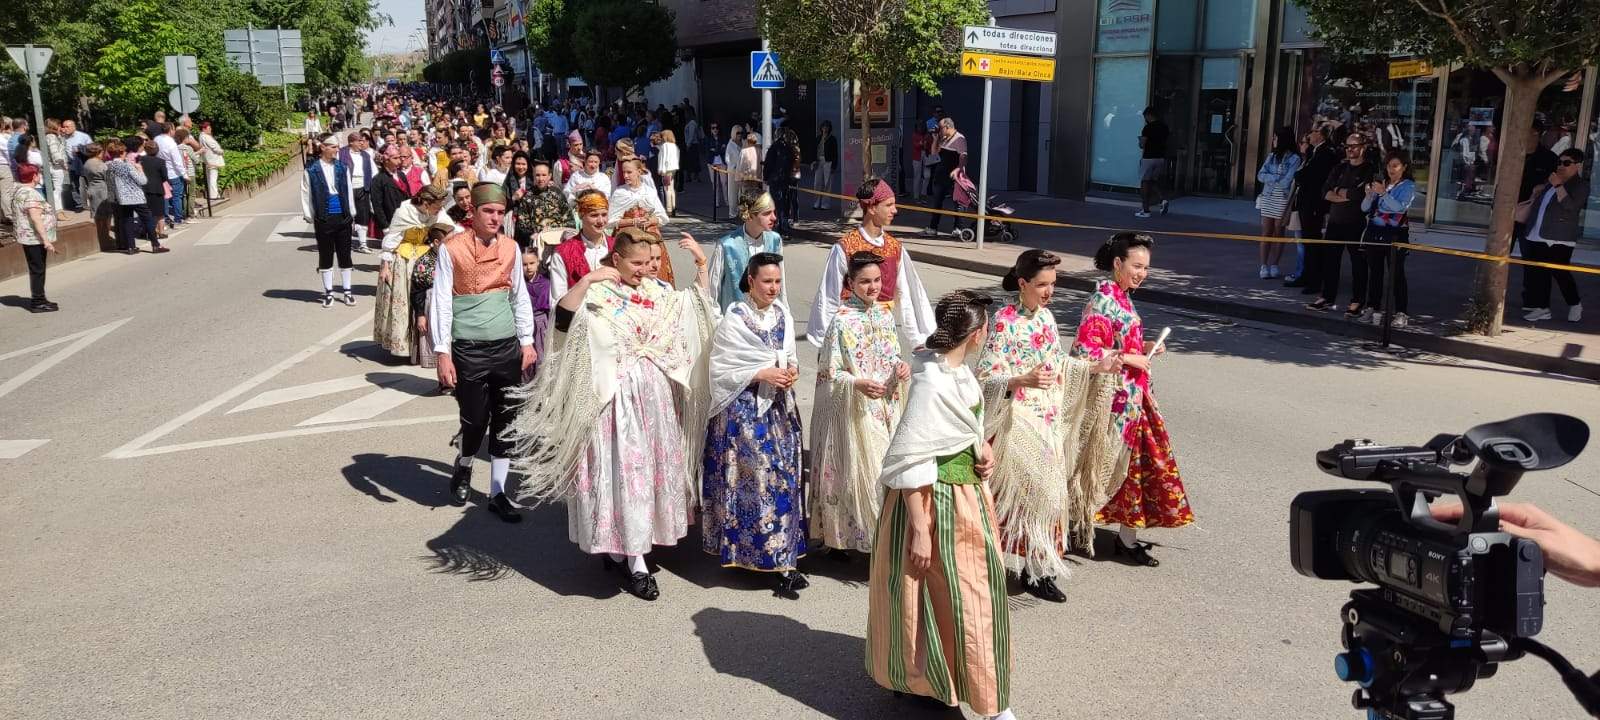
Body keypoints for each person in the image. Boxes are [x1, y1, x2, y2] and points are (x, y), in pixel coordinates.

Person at [506, 229, 718, 602]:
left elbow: (696, 310)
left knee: (644, 475)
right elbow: (563, 321)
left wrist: (701, 264)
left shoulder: (656, 292)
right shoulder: (599, 294)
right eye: (636, 263)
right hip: (614, 404)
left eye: (648, 262)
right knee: (624, 475)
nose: (644, 269)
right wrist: (587, 280)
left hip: (654, 402)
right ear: (616, 259)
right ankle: (634, 559)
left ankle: (629, 547)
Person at [865, 290, 1017, 720]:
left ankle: (977, 690)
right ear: (976, 333)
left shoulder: (959, 373)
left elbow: (964, 427)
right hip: (932, 502)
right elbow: (912, 456)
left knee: (969, 595)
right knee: (945, 595)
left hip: (968, 498)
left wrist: (981, 449)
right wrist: (918, 528)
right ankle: (956, 691)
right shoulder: (930, 381)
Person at [977, 249, 1125, 601]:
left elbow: (1059, 362)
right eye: (1042, 284)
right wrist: (1020, 380)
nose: (1049, 292)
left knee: (1049, 497)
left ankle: (1037, 569)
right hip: (1017, 419)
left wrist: (1095, 367)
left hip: (1047, 418)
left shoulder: (1046, 318)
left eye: (1053, 284)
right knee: (1027, 496)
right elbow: (985, 376)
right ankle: (996, 565)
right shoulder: (1003, 321)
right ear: (1022, 283)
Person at [1069, 233, 1195, 566]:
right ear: (1117, 263)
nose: (1142, 273)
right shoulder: (1103, 300)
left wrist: (1145, 347)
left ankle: (1124, 536)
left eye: (1145, 268)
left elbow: (1119, 342)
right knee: (1110, 468)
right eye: (1137, 266)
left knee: (1138, 468)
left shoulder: (1122, 296)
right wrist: (1129, 357)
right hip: (1112, 402)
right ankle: (1080, 526)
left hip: (1134, 398)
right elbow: (1085, 352)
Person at [429, 183, 537, 523]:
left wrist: (526, 340)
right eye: (488, 211)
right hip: (468, 347)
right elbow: (441, 301)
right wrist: (442, 352)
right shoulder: (452, 248)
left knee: (506, 420)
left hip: (505, 344)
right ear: (472, 212)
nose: (495, 218)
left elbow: (519, 295)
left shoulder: (511, 247)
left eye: (500, 213)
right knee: (475, 419)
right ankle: (464, 464)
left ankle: (498, 492)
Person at [702, 252, 808, 596]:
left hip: (779, 408)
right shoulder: (735, 319)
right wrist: (760, 372)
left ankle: (784, 557)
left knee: (785, 478)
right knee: (758, 478)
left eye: (777, 281)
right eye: (767, 281)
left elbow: (790, 357)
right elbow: (719, 368)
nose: (773, 288)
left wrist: (791, 371)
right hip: (744, 411)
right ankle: (754, 553)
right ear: (751, 281)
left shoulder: (783, 315)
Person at [809, 252, 909, 558]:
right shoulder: (841, 321)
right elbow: (828, 372)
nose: (873, 287)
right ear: (850, 283)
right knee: (857, 474)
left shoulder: (885, 315)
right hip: (856, 410)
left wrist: (901, 367)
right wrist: (857, 383)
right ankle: (845, 539)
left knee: (885, 474)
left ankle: (883, 543)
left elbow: (892, 355)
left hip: (886, 407)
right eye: (865, 281)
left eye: (877, 280)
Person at [807, 178, 936, 348]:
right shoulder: (845, 247)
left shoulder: (895, 248)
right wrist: (827, 343)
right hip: (852, 334)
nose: (895, 210)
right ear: (872, 208)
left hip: (885, 333)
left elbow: (908, 295)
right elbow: (830, 295)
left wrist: (918, 340)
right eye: (889, 205)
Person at [376, 185, 448, 361]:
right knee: (404, 303)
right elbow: (391, 240)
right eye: (437, 206)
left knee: (427, 302)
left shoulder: (437, 213)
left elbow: (451, 228)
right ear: (426, 204)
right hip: (404, 260)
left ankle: (424, 348)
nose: (439, 210)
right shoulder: (404, 213)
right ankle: (404, 346)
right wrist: (385, 267)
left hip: (427, 258)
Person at [1519, 148, 1589, 323]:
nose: (1561, 166)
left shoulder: (1580, 185)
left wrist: (1558, 186)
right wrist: (1539, 190)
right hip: (1538, 233)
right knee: (1538, 273)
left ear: (1577, 166)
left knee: (1560, 273)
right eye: (1559, 162)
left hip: (1560, 238)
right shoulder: (1551, 181)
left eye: (1566, 163)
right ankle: (1542, 308)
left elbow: (1571, 207)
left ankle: (1574, 303)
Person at [1308, 133, 1374, 313]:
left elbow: (1361, 194)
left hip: (1356, 222)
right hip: (1335, 222)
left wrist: (1338, 191)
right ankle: (1327, 297)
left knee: (1358, 263)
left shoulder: (1369, 169)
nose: (1349, 149)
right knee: (1330, 261)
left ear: (1363, 147)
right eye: (1347, 146)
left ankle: (1357, 301)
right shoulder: (1339, 167)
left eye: (1354, 146)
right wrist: (1343, 194)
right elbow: (1325, 191)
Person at [1356, 151, 1417, 327]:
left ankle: (1401, 312)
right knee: (1375, 272)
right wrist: (1369, 195)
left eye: (1395, 166)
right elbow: (1365, 208)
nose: (1391, 169)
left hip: (1395, 234)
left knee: (1396, 274)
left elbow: (1399, 208)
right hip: (1375, 233)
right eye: (1389, 165)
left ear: (1404, 167)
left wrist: (1383, 194)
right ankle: (1372, 307)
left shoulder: (1408, 186)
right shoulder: (1382, 183)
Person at [300, 133, 358, 307]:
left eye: (337, 147)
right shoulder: (311, 170)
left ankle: (347, 291)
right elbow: (306, 193)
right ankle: (328, 292)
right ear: (323, 147)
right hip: (324, 217)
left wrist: (351, 213)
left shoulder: (342, 167)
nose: (337, 150)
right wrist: (311, 215)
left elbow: (348, 190)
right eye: (333, 147)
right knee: (325, 255)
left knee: (345, 254)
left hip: (342, 216)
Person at [709, 190, 784, 311]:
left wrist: (784, 312)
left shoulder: (775, 241)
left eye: (773, 212)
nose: (774, 217)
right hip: (734, 319)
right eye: (767, 213)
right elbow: (712, 292)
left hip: (766, 317)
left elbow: (781, 285)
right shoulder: (727, 246)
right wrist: (719, 320)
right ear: (750, 216)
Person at [1287, 125, 1338, 291]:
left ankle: (1314, 280)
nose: (1310, 135)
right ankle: (1306, 275)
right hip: (1306, 202)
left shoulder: (1325, 153)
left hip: (1315, 204)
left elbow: (1308, 175)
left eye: (1314, 132)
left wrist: (1300, 175)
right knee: (1307, 241)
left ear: (1322, 135)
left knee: (1312, 242)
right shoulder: (1314, 152)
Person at [608, 158, 674, 284]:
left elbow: (662, 217)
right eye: (623, 172)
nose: (625, 176)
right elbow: (610, 221)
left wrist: (650, 220)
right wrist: (633, 222)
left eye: (629, 172)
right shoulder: (620, 192)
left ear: (638, 172)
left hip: (650, 238)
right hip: (627, 239)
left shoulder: (649, 191)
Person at [8, 163, 60, 312]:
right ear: (34, 176)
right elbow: (35, 218)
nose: (40, 176)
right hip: (34, 238)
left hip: (28, 237)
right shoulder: (30, 193)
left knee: (36, 269)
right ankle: (38, 301)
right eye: (38, 174)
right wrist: (46, 241)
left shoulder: (19, 191)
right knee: (38, 270)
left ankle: (40, 298)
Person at [548, 189, 615, 304]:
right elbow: (558, 300)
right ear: (580, 215)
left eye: (604, 214)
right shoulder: (563, 253)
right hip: (578, 313)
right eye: (594, 215)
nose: (601, 221)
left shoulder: (617, 247)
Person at [1254, 127, 1301, 279]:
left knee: (1278, 232)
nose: (1273, 141)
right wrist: (1276, 177)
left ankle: (1274, 264)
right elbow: (1260, 175)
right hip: (1267, 197)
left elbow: (1287, 181)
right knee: (1266, 231)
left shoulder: (1295, 159)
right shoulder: (1272, 156)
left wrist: (1271, 177)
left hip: (1282, 199)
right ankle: (1263, 266)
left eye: (1275, 138)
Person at [107, 139, 163, 254]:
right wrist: (140, 170)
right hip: (135, 196)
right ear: (122, 152)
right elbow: (142, 181)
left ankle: (131, 247)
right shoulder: (128, 166)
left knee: (127, 221)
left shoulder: (109, 166)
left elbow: (110, 183)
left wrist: (113, 197)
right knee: (148, 219)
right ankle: (155, 245)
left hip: (121, 198)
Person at [925, 118, 967, 234]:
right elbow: (934, 152)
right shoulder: (943, 138)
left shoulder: (959, 138)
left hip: (954, 177)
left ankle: (958, 228)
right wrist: (935, 139)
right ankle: (933, 228)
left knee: (958, 203)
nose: (938, 130)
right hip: (941, 175)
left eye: (940, 128)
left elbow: (963, 156)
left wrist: (958, 169)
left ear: (947, 127)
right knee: (937, 202)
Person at [340, 133, 378, 253]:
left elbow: (374, 172)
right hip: (347, 188)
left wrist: (374, 186)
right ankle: (345, 242)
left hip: (363, 188)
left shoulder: (366, 155)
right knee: (346, 216)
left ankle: (362, 244)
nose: (362, 143)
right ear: (351, 142)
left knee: (363, 215)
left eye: (363, 141)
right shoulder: (341, 153)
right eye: (359, 141)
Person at [1136, 107, 1171, 218]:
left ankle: (1146, 210)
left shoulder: (1148, 128)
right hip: (1160, 157)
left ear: (1149, 115)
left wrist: (1140, 141)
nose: (1145, 119)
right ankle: (1162, 199)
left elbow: (1142, 144)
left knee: (1145, 182)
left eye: (1145, 116)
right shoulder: (1164, 127)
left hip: (1149, 157)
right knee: (1152, 181)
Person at [151, 123, 187, 227]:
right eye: (174, 129)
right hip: (173, 172)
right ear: (170, 130)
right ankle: (178, 218)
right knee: (177, 196)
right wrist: (184, 174)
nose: (174, 131)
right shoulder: (171, 143)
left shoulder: (156, 139)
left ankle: (165, 218)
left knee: (165, 197)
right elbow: (177, 161)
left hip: (161, 172)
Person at [369, 145, 410, 236]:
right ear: (386, 160)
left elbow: (408, 196)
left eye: (399, 157)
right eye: (395, 158)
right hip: (391, 219)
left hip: (405, 217)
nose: (399, 161)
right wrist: (385, 226)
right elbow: (377, 205)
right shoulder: (378, 179)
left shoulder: (401, 175)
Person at [80, 143, 113, 249]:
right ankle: (106, 238)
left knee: (98, 216)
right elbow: (108, 178)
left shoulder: (87, 163)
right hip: (103, 191)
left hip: (92, 189)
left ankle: (101, 237)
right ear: (98, 152)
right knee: (106, 215)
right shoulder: (100, 164)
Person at [812, 121, 838, 210]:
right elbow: (814, 150)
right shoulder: (818, 138)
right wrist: (813, 161)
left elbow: (835, 154)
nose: (825, 128)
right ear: (821, 128)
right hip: (819, 161)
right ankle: (816, 203)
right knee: (817, 183)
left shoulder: (832, 139)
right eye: (824, 127)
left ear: (829, 128)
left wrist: (834, 166)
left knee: (827, 183)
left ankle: (825, 204)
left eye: (827, 127)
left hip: (828, 162)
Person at [198, 121, 225, 201]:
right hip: (212, 160)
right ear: (204, 129)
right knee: (213, 177)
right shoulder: (206, 137)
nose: (210, 129)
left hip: (208, 160)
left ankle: (211, 194)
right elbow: (214, 147)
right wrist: (221, 151)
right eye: (209, 128)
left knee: (210, 178)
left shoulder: (201, 136)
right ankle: (214, 195)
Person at [656, 129, 680, 217]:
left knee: (667, 189)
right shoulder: (674, 146)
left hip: (666, 169)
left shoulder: (665, 146)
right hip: (673, 168)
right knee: (672, 188)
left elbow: (664, 158)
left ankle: (669, 209)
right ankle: (673, 206)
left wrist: (661, 170)